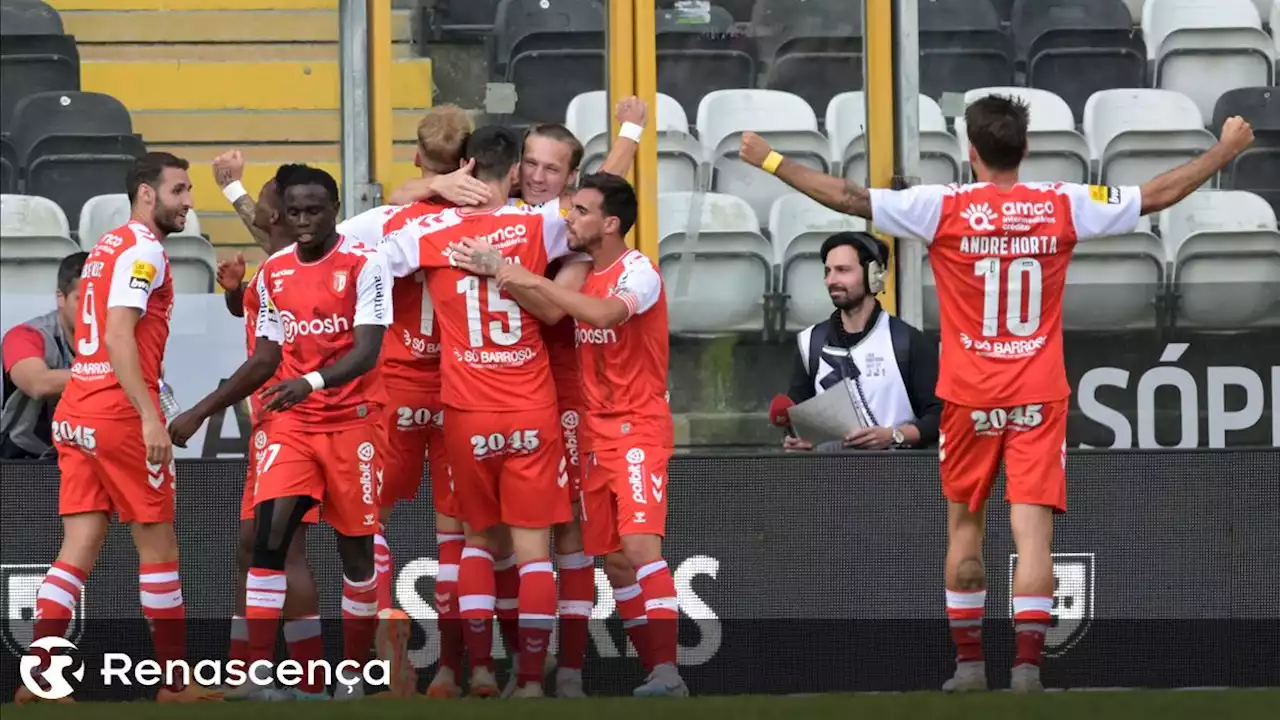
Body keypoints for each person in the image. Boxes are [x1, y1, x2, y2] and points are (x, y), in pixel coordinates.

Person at [738, 95, 1256, 693]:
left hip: (967, 398)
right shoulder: (1063, 203)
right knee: (1032, 532)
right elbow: (1155, 195)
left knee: (965, 527)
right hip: (1039, 393)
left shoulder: (942, 206)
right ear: (1027, 149)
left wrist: (770, 159)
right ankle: (1028, 672)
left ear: (971, 152)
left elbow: (851, 199)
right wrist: (1224, 149)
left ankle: (968, 668)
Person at [169, 165, 393, 700]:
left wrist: (310, 381)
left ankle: (356, 675)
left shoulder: (367, 264)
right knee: (267, 541)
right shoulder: (273, 275)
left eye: (313, 211)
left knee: (356, 554)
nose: (303, 221)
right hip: (291, 425)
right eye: (294, 212)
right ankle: (258, 676)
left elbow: (367, 351)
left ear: (335, 209)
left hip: (353, 422)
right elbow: (265, 357)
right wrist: (200, 411)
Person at [464, 172, 688, 697]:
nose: (571, 217)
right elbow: (553, 309)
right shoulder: (581, 274)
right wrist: (511, 275)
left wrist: (519, 273)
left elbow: (607, 313)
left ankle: (668, 673)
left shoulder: (639, 273)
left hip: (637, 428)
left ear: (610, 223)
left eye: (582, 211)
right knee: (611, 559)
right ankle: (653, 671)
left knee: (639, 548)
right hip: (592, 429)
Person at [377, 125, 582, 699]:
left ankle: (475, 671)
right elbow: (596, 220)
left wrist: (427, 188)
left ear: (467, 167)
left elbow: (364, 236)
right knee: (532, 553)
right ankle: (534, 682)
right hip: (532, 407)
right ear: (515, 172)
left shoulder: (428, 230)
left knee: (473, 544)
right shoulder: (542, 224)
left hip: (466, 411)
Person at [17, 152, 222, 705]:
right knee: (159, 547)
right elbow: (119, 336)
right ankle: (175, 684)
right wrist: (150, 415)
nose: (189, 201)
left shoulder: (106, 246)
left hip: (78, 411)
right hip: (117, 414)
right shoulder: (143, 251)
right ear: (147, 194)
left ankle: (38, 681)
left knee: (78, 546)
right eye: (179, 190)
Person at [336, 104, 490, 698]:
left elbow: (339, 240)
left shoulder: (390, 219)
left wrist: (418, 189)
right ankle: (462, 668)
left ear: (420, 159)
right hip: (458, 386)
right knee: (456, 534)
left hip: (393, 387)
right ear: (472, 161)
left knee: (369, 521)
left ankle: (386, 647)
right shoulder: (498, 221)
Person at [205, 157, 324, 700]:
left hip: (299, 423)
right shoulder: (275, 264)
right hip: (270, 423)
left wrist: (232, 188)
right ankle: (242, 673)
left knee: (281, 546)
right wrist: (235, 294)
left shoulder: (296, 261)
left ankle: (308, 678)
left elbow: (264, 355)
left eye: (268, 202)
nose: (269, 211)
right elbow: (252, 317)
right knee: (252, 544)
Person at [784, 232, 941, 452]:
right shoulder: (809, 342)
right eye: (828, 271)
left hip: (897, 480)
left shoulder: (908, 341)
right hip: (829, 481)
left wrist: (895, 436)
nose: (831, 280)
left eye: (843, 270)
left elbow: (940, 416)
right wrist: (796, 440)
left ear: (873, 275)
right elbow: (798, 417)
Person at [1, 252, 87, 459]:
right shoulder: (25, 335)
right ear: (61, 297)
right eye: (82, 300)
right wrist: (115, 372)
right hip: (20, 460)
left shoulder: (116, 339)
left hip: (84, 458)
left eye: (100, 301)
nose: (91, 311)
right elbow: (38, 384)